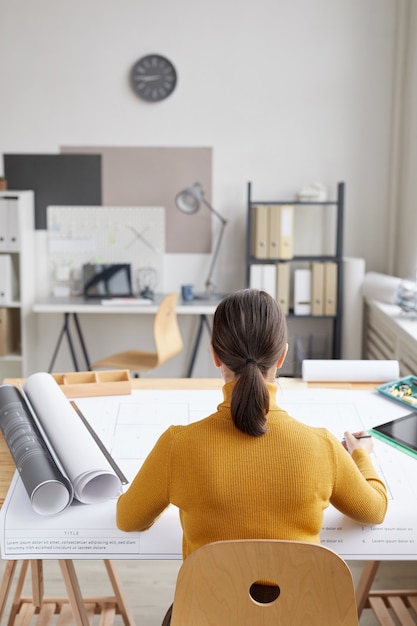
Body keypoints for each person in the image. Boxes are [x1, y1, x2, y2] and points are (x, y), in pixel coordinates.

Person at [116, 288, 388, 625]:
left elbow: (129, 519)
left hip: (207, 616)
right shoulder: (321, 446)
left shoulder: (179, 446)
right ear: (282, 357)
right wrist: (362, 457)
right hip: (303, 617)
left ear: (215, 356)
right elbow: (374, 511)